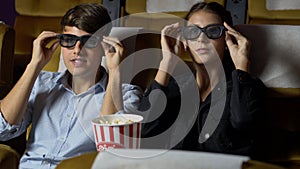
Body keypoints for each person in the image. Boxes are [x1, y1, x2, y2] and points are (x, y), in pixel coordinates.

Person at [0, 3, 142, 168]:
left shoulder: (126, 95)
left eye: (88, 41)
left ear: (104, 47)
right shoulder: (42, 83)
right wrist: (34, 66)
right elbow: (2, 129)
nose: (77, 50)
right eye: (69, 40)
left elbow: (112, 147)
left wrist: (115, 70)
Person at [139, 2, 265, 156]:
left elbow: (243, 121)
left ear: (227, 39)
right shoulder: (174, 87)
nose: (201, 38)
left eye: (212, 31)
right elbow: (144, 132)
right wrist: (167, 63)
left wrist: (242, 65)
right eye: (192, 32)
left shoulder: (246, 87)